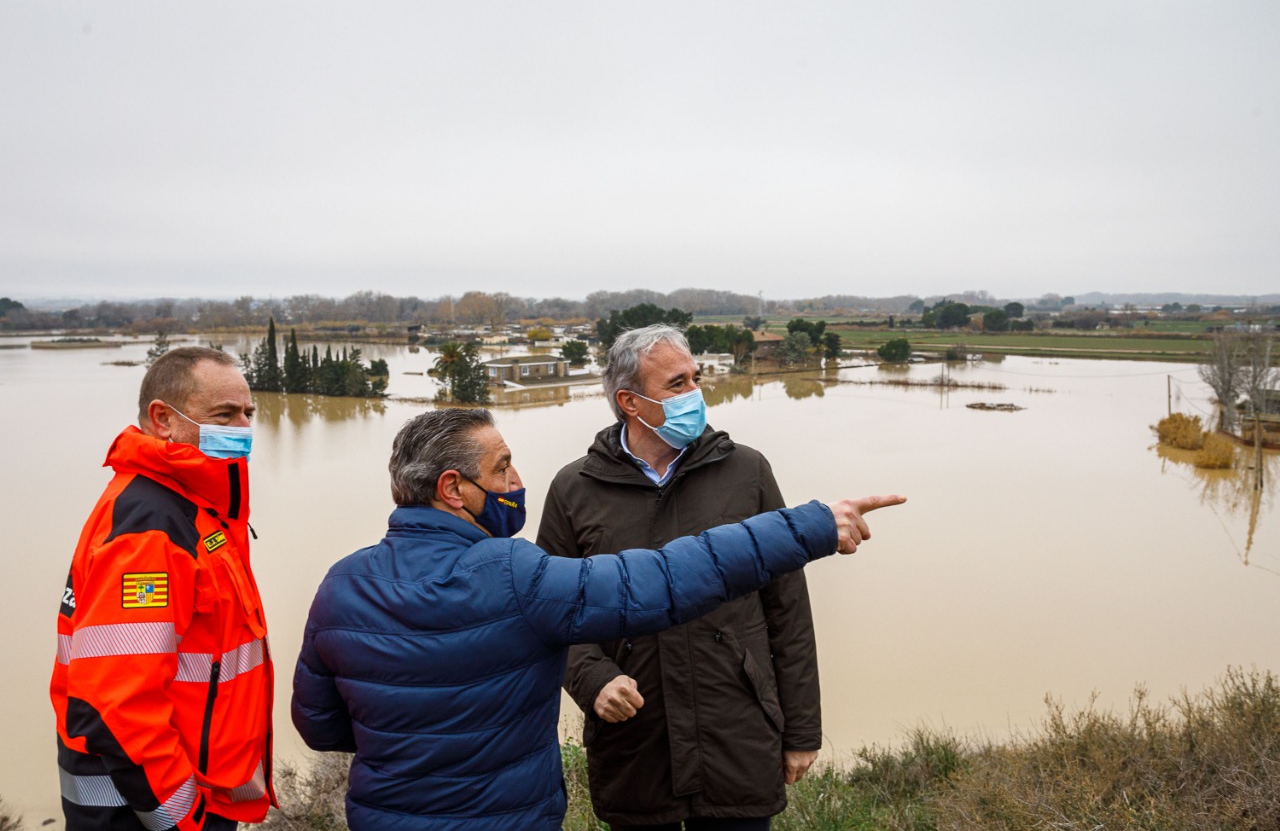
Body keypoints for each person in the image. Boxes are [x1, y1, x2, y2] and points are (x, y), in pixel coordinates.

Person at [291, 408, 903, 831]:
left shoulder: (342, 582)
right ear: (453, 488)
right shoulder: (514, 574)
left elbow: (320, 726)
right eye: (503, 467)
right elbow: (663, 577)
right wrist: (811, 524)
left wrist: (411, 736)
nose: (517, 481)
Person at [537, 323, 818, 830]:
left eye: (695, 377)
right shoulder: (574, 489)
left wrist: (801, 731)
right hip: (635, 745)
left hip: (737, 737)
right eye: (677, 383)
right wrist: (593, 679)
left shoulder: (746, 472)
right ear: (630, 401)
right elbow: (551, 613)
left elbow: (788, 609)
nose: (695, 393)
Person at [51, 347, 273, 831]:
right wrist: (180, 817)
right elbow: (117, 701)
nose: (242, 428)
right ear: (162, 420)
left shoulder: (192, 507)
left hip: (186, 795)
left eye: (247, 414)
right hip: (146, 812)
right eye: (224, 414)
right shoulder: (151, 525)